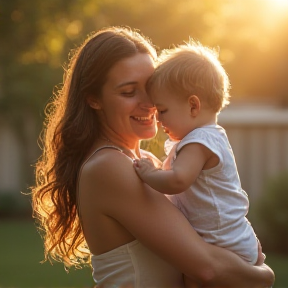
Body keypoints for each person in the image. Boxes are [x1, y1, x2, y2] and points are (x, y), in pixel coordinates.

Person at [31, 26, 274, 288]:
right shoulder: (109, 166)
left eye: (151, 88)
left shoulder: (149, 163)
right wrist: (264, 275)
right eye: (128, 92)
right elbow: (207, 269)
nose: (149, 104)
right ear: (94, 99)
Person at [133, 41, 264, 275]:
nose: (159, 120)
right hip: (231, 241)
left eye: (162, 111)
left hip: (227, 244)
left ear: (193, 105)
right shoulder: (206, 138)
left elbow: (177, 181)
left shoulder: (199, 141)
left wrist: (148, 173)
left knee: (195, 278)